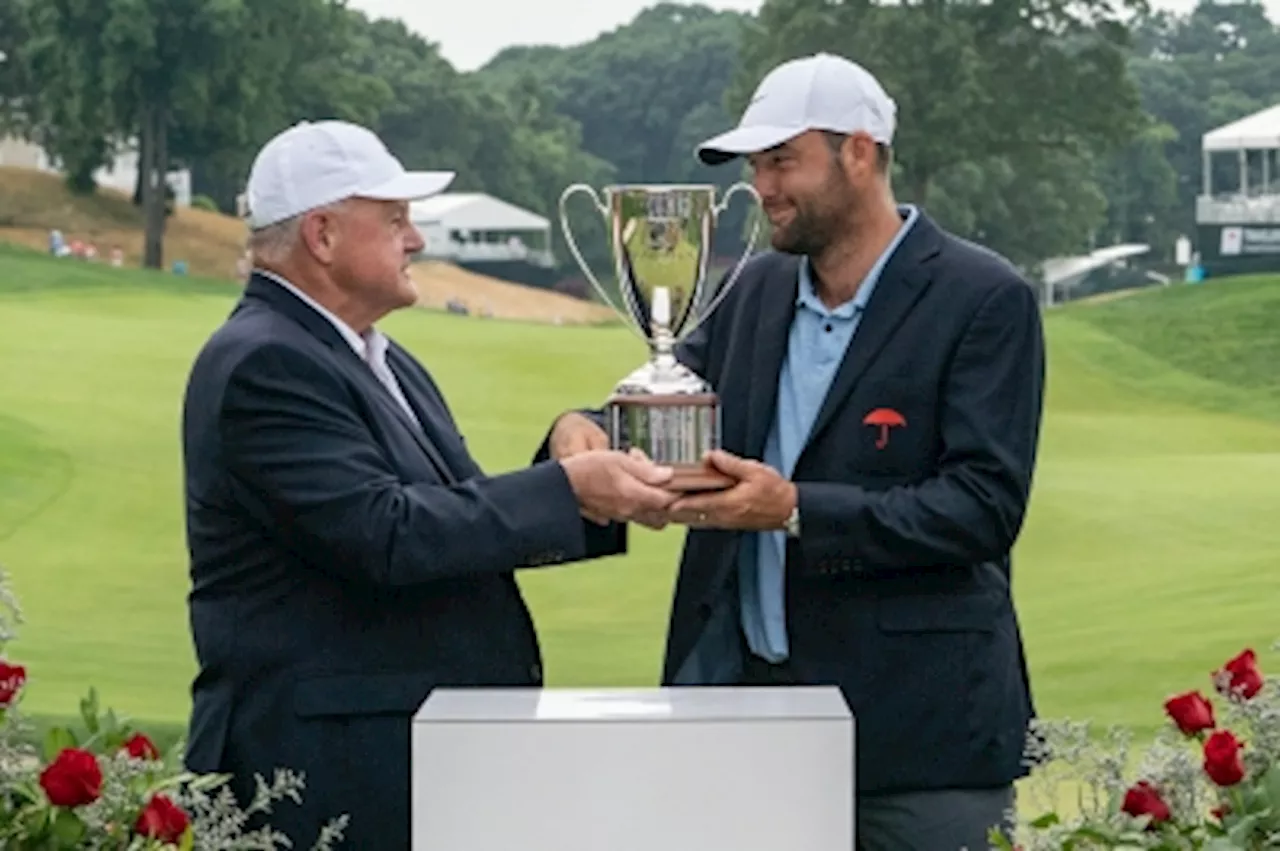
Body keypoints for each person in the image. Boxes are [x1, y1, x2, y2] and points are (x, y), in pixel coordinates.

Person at [546, 53, 1045, 850]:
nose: (763, 186)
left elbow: (982, 509)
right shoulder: (757, 288)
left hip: (918, 740)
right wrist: (587, 428)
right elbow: (676, 390)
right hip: (749, 718)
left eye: (783, 161)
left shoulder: (983, 298)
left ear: (858, 152)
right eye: (756, 165)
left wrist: (796, 509)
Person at [180, 120, 677, 848]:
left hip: (394, 765)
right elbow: (387, 534)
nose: (414, 239)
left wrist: (568, 458)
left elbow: (453, 514)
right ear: (321, 234)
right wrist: (568, 488)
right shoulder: (266, 363)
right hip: (324, 779)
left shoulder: (377, 355)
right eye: (394, 220)